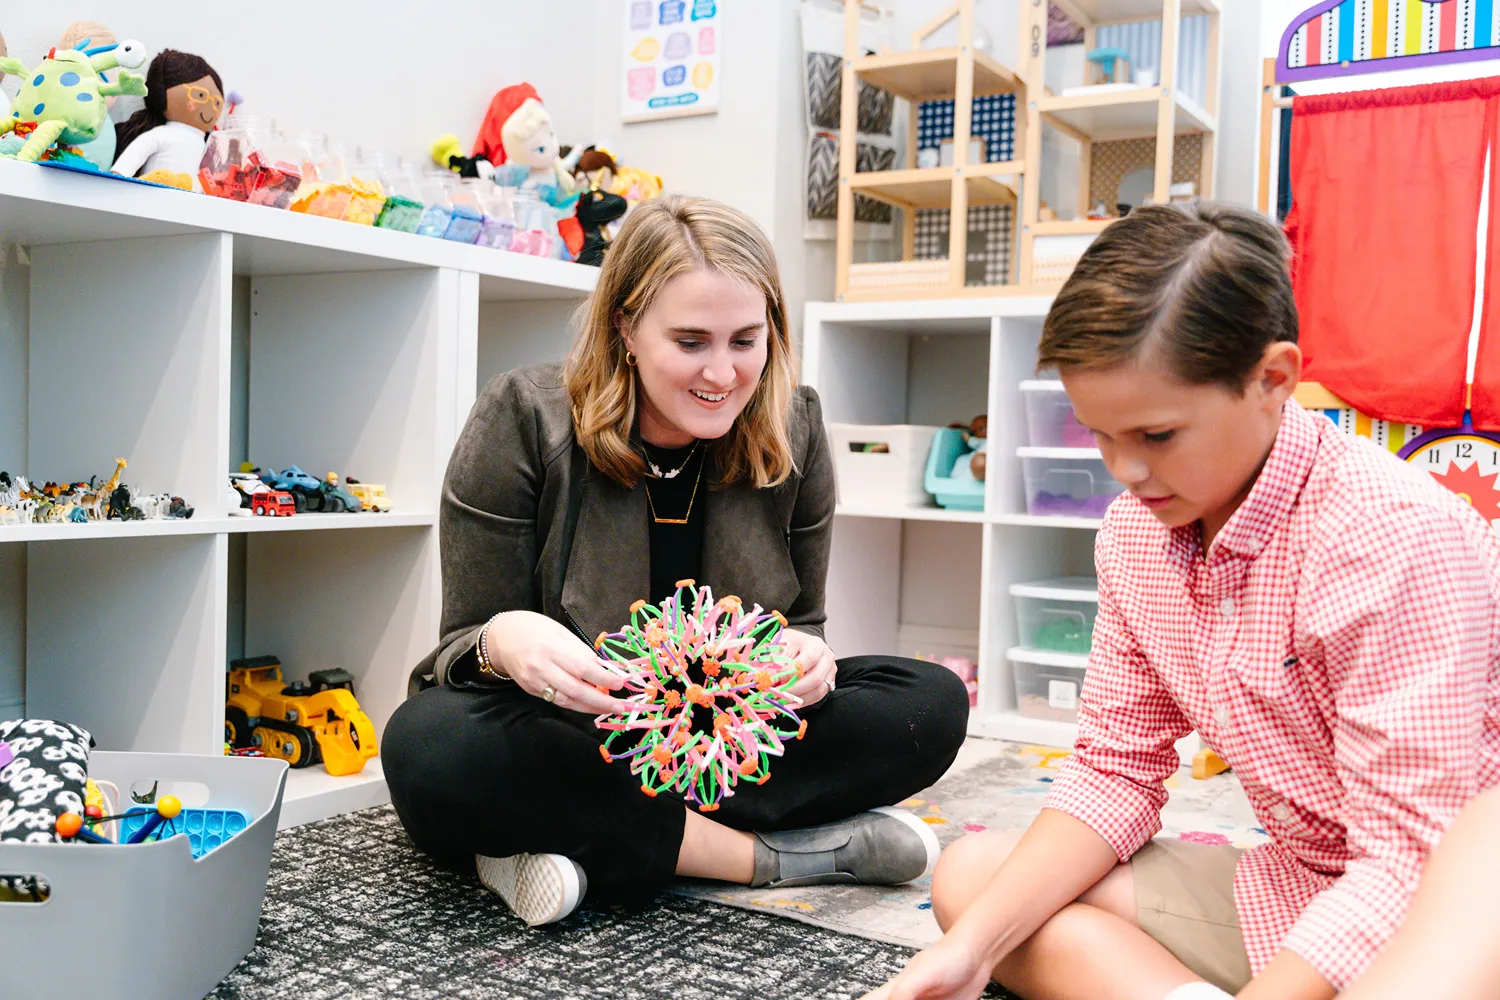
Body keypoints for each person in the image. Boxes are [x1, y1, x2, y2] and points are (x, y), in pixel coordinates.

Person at [864, 202, 1500, 1000]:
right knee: (975, 884)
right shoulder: (1137, 538)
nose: (1124, 472)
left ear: (1272, 381)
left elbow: (1416, 858)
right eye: (1099, 434)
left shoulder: (1392, 536)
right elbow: (1113, 770)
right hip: (1308, 889)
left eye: (1157, 436)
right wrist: (973, 954)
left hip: (1448, 910)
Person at [382, 195, 969, 928]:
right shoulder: (522, 417)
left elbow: (801, 625)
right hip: (575, 732)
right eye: (690, 342)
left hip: (719, 739)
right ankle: (776, 857)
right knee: (429, 745)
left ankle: (571, 836)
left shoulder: (797, 426)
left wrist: (804, 656)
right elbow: (454, 655)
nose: (722, 374)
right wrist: (504, 640)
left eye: (745, 341)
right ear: (626, 327)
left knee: (931, 701)